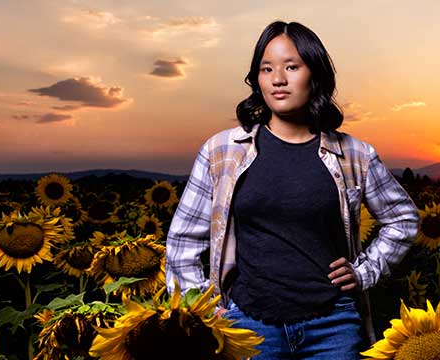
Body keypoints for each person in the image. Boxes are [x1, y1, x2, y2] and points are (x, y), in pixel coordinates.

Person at [163, 20, 420, 359]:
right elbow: (183, 242)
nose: (278, 79)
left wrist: (364, 271)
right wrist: (204, 311)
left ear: (314, 75)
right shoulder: (222, 151)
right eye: (266, 68)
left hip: (333, 328)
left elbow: (403, 219)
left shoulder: (354, 155)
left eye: (291, 67)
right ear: (257, 78)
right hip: (249, 327)